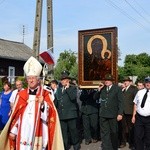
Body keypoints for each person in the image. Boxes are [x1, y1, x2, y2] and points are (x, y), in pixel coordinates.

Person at [0, 56, 64, 150]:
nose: (31, 80)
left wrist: (43, 104)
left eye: (33, 78)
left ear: (38, 79)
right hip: (23, 133)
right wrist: (13, 131)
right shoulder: (21, 95)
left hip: (39, 130)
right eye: (29, 78)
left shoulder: (45, 94)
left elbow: (52, 116)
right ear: (26, 80)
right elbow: (16, 116)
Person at [93, 74, 123, 150]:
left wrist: (120, 113)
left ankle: (114, 147)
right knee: (104, 133)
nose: (106, 81)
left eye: (108, 80)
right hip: (103, 114)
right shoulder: (102, 88)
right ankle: (106, 147)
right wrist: (99, 90)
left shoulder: (117, 89)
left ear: (112, 81)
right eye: (105, 80)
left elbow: (121, 102)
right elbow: (95, 98)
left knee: (114, 132)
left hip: (113, 114)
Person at [54, 70, 80, 150]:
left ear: (68, 80)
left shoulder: (73, 88)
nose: (63, 81)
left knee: (73, 131)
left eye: (64, 79)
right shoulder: (58, 89)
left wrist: (68, 88)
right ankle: (65, 146)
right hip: (61, 114)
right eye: (62, 79)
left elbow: (73, 98)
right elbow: (56, 101)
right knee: (63, 132)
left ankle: (76, 144)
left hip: (71, 114)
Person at [132, 76, 150, 150]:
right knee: (137, 136)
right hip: (139, 117)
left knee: (148, 137)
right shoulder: (139, 92)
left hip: (149, 118)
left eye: (149, 82)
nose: (148, 84)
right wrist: (133, 116)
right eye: (146, 82)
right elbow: (135, 104)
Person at [119, 77, 138, 149]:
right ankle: (123, 142)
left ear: (130, 82)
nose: (125, 82)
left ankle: (131, 143)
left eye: (126, 81)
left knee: (131, 128)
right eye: (124, 81)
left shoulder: (134, 88)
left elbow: (136, 101)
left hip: (130, 112)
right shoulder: (122, 89)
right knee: (123, 128)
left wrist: (134, 113)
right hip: (123, 112)